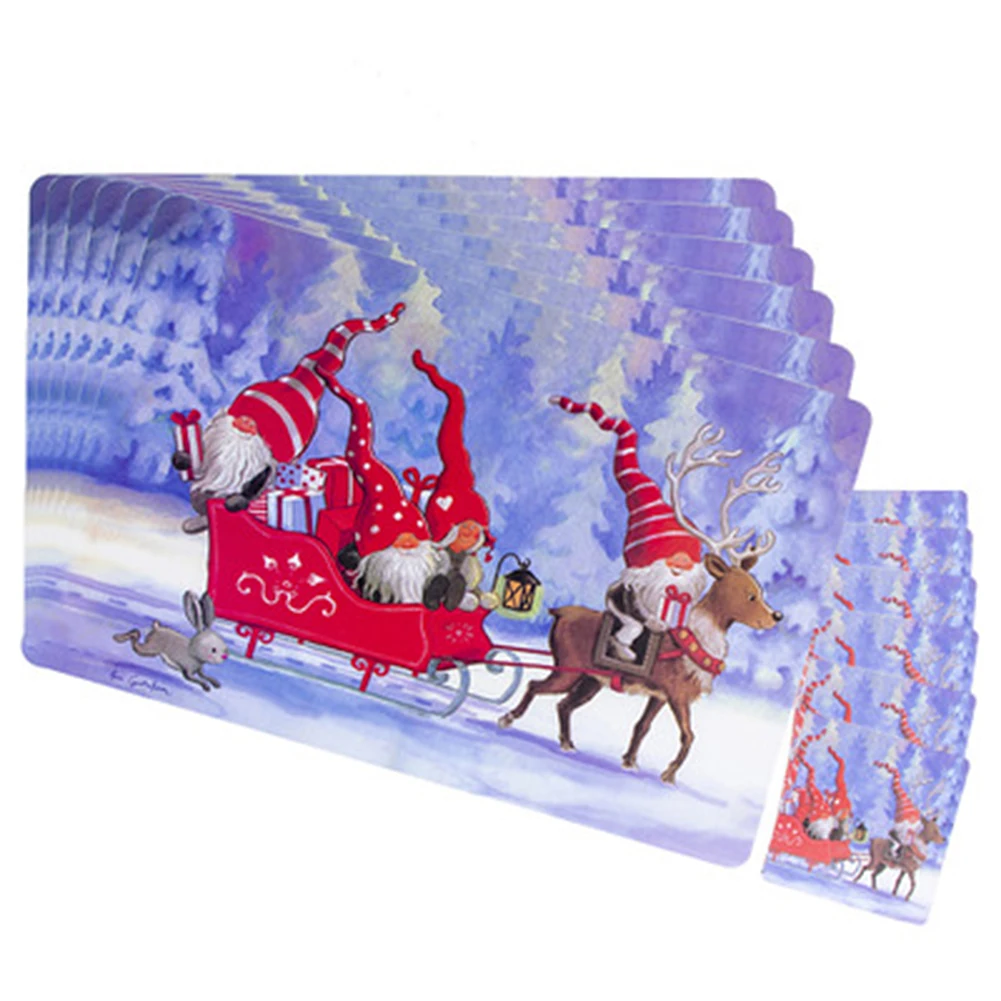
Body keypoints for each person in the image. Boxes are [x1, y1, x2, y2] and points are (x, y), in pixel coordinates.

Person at [172, 303, 405, 533]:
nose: (247, 423)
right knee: (205, 495)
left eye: (254, 425)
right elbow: (196, 457)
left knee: (241, 510)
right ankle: (208, 514)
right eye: (246, 418)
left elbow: (258, 484)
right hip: (206, 489)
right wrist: (186, 459)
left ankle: (218, 517)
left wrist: (245, 497)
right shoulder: (216, 439)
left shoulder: (259, 462)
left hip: (239, 504)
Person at [548, 396, 706, 662]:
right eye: (673, 559)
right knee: (633, 627)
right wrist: (650, 619)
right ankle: (618, 645)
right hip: (630, 612)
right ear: (651, 562)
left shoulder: (681, 590)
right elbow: (639, 606)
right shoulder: (638, 586)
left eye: (685, 560)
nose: (680, 566)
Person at [325, 372, 445, 605]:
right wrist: (358, 408)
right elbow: (360, 457)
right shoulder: (376, 565)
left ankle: (435, 594)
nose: (409, 544)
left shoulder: (424, 561)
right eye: (401, 539)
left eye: (412, 537)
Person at [411, 350, 498, 612]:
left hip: (462, 589)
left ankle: (457, 595)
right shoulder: (434, 553)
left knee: (464, 581)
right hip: (433, 577)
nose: (470, 535)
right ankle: (436, 591)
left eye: (473, 531)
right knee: (438, 574)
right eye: (465, 529)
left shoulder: (470, 562)